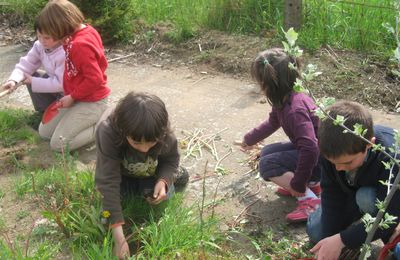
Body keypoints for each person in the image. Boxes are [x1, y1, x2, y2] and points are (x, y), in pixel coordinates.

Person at [95, 92, 188, 259]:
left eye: (151, 143)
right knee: (111, 205)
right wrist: (119, 240)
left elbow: (171, 159)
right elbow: (108, 181)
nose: (144, 149)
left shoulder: (161, 130)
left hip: (149, 171)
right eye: (136, 142)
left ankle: (170, 179)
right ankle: (137, 186)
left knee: (165, 193)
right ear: (124, 131)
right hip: (121, 174)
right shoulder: (107, 131)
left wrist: (163, 181)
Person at [307, 100, 400, 260]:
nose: (338, 168)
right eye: (333, 162)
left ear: (369, 144)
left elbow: (387, 215)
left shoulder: (392, 157)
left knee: (366, 198)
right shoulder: (331, 150)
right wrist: (330, 238)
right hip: (351, 194)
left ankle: (389, 242)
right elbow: (331, 193)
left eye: (347, 162)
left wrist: (343, 239)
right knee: (317, 234)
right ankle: (356, 227)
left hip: (387, 201)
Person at [238, 48, 321, 222]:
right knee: (267, 151)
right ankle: (312, 184)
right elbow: (272, 122)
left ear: (268, 84)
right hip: (317, 156)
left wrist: (297, 184)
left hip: (321, 161)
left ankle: (310, 199)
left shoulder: (294, 110)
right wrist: (249, 139)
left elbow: (310, 148)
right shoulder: (284, 99)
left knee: (267, 164)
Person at [36, 0, 110, 151]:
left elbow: (95, 79)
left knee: (59, 145)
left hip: (92, 101)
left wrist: (72, 97)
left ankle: (106, 126)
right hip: (78, 97)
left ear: (61, 25)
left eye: (52, 30)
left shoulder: (79, 45)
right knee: (44, 132)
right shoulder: (86, 30)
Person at [1, 18, 64, 114]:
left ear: (60, 35)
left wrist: (34, 81)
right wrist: (13, 80)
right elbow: (26, 64)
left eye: (47, 37)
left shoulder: (64, 52)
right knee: (29, 75)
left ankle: (60, 111)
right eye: (39, 36)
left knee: (32, 80)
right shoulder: (39, 46)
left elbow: (61, 84)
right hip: (55, 85)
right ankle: (44, 111)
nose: (42, 41)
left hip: (68, 92)